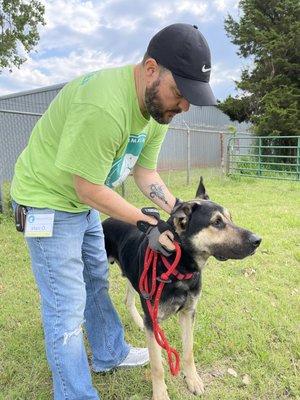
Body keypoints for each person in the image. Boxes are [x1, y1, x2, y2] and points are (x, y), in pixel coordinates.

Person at [11, 23, 216, 399]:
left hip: (85, 201)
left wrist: (180, 213)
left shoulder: (157, 110)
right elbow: (87, 186)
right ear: (151, 69)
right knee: (65, 306)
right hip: (46, 201)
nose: (184, 105)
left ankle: (109, 353)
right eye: (181, 92)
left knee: (96, 280)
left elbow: (145, 172)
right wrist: (146, 222)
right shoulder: (104, 105)